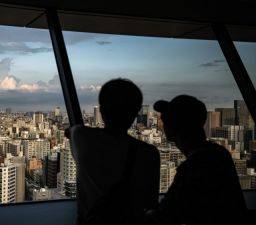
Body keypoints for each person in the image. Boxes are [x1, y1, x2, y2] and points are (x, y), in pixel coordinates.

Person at [69, 78, 160, 225]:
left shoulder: (82, 139)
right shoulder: (148, 153)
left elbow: (71, 131)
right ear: (135, 113)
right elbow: (150, 203)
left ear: (102, 110)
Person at [146, 95, 248, 225]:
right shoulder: (219, 153)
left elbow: (166, 213)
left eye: (165, 121)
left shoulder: (194, 166)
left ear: (170, 130)